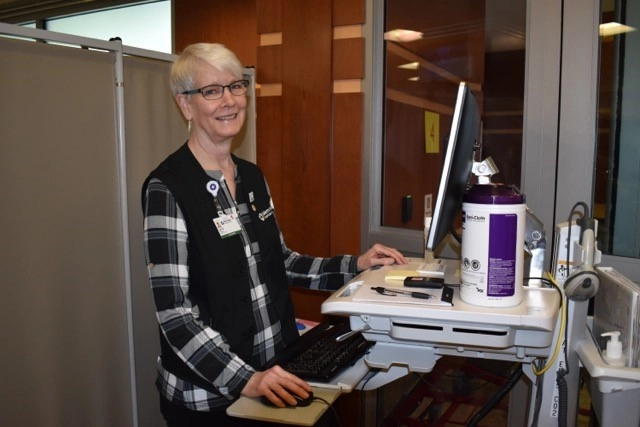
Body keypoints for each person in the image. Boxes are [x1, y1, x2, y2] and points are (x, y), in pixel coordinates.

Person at [142, 42, 407, 426]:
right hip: (211, 399)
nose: (229, 100)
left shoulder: (251, 177)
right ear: (185, 104)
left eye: (236, 86)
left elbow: (281, 262)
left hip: (276, 373)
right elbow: (175, 315)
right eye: (211, 91)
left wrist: (358, 265)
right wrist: (246, 379)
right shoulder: (168, 188)